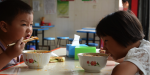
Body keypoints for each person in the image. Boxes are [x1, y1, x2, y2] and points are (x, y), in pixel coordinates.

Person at [96, 11, 150, 75]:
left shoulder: (143, 52)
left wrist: (119, 67)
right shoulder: (144, 46)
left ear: (122, 35)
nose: (104, 47)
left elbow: (122, 70)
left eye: (106, 41)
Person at [0, 0, 33, 70]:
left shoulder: (16, 45)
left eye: (31, 24)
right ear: (4, 26)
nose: (29, 29)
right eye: (24, 24)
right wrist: (8, 55)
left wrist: (22, 58)